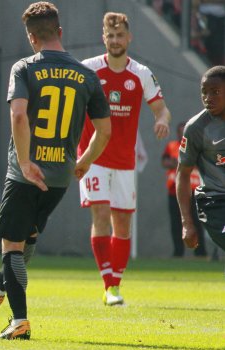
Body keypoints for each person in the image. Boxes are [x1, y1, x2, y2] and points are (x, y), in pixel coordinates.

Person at [0, 2, 111, 340]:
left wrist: (25, 162)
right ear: (60, 32)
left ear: (31, 36)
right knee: (28, 239)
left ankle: (19, 321)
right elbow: (105, 130)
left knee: (11, 246)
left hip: (25, 173)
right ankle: (0, 283)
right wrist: (83, 162)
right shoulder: (87, 75)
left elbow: (19, 117)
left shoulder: (25, 68)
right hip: (59, 178)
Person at [77, 12, 171, 306]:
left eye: (120, 36)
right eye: (110, 36)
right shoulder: (88, 70)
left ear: (129, 38)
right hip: (93, 156)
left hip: (124, 160)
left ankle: (114, 284)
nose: (115, 41)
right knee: (101, 215)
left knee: (123, 223)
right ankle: (109, 285)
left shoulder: (141, 73)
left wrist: (162, 121)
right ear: (103, 38)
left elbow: (161, 109)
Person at [177, 65, 225, 253]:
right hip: (215, 202)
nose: (208, 98)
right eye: (204, 92)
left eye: (215, 92)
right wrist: (187, 223)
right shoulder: (196, 128)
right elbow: (182, 175)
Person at [162, 121, 207, 257]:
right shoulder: (172, 146)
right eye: (180, 132)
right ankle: (178, 252)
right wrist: (176, 162)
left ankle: (200, 252)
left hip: (194, 191)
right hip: (174, 191)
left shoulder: (197, 146)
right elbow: (165, 161)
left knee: (196, 221)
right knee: (176, 223)